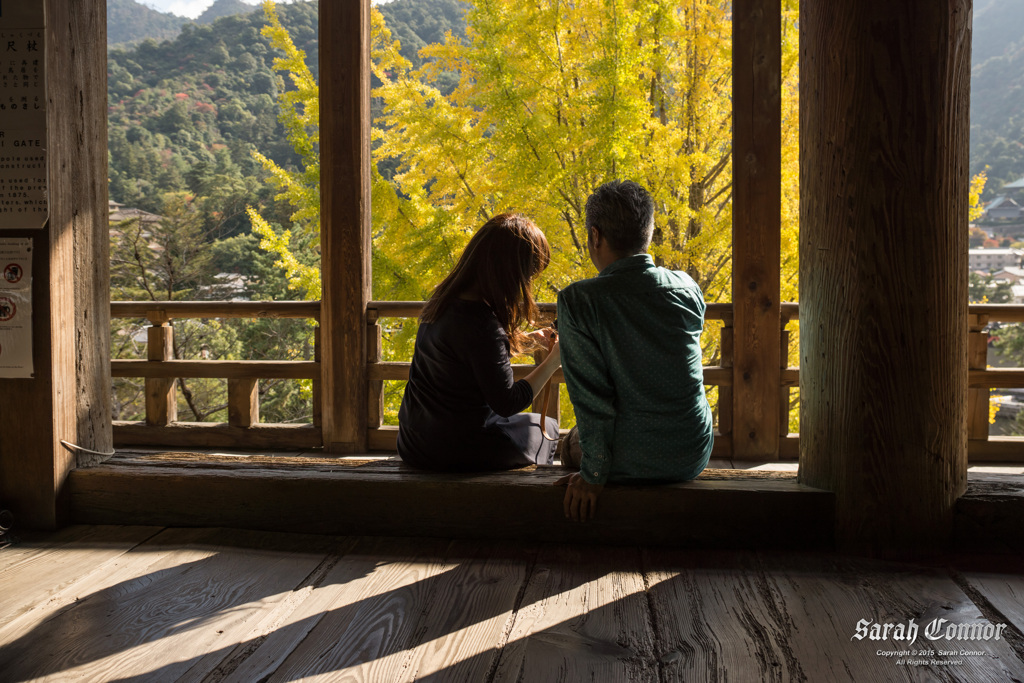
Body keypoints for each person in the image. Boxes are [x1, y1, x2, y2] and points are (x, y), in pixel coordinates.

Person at [555, 180, 714, 521]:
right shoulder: (688, 288)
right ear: (648, 233)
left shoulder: (579, 300)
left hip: (629, 458)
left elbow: (592, 400)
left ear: (595, 236)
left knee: (569, 444)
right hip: (691, 453)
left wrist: (592, 476)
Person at [397, 213, 562, 471]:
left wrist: (524, 342)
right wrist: (553, 362)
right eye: (528, 277)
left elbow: (468, 357)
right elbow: (507, 402)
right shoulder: (482, 324)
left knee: (521, 425)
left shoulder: (442, 301)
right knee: (546, 428)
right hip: (451, 450)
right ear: (511, 273)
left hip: (413, 442)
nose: (526, 285)